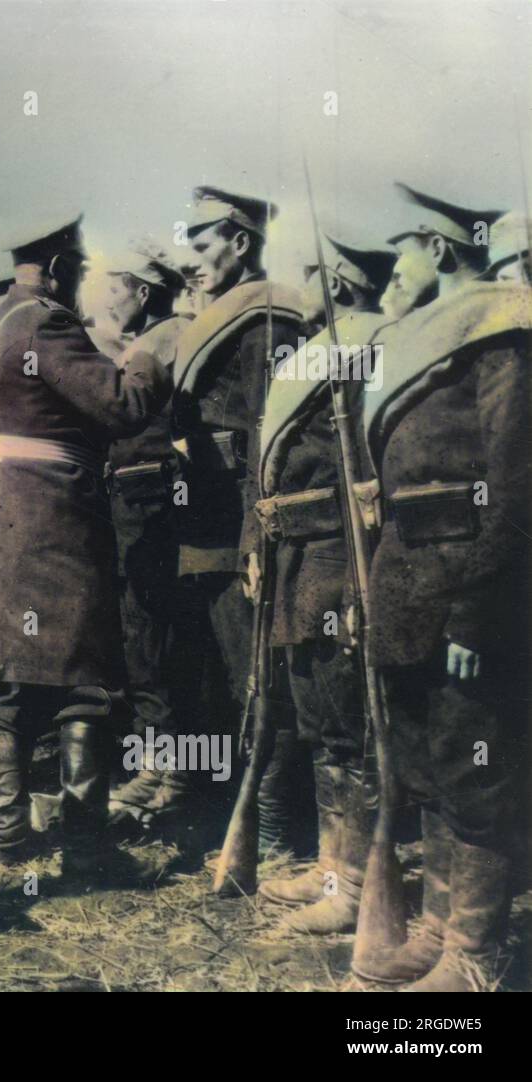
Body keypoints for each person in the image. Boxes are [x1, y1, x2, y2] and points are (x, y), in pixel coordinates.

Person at [351, 184, 528, 991]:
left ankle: (478, 953)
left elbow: (516, 484)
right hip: (406, 580)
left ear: (440, 247)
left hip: (464, 583)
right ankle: (436, 926)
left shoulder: (499, 328)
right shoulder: (419, 337)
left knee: (475, 766)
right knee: (424, 761)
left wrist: (478, 609)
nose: (396, 264)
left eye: (406, 248)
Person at [0, 216, 170, 872]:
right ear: (55, 264)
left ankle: (7, 837)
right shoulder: (48, 323)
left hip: (3, 506)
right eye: (77, 269)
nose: (83, 284)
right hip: (53, 512)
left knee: (11, 675)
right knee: (82, 678)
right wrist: (149, 357)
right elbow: (120, 408)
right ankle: (85, 846)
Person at [252, 235, 395, 933]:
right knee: (317, 716)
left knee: (347, 720)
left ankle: (360, 884)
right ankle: (332, 866)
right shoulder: (317, 352)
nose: (297, 282)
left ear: (337, 279)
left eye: (308, 271)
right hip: (297, 556)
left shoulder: (368, 349)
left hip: (340, 554)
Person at [172, 185, 306, 854]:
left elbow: (268, 433)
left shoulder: (269, 320)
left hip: (239, 527)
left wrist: (257, 534)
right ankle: (227, 814)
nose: (190, 258)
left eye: (201, 244)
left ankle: (275, 829)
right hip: (202, 521)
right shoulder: (220, 314)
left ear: (240, 242)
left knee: (257, 676)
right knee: (214, 675)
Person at [97, 249, 196, 829]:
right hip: (143, 500)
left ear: (143, 292)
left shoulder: (163, 340)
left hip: (150, 502)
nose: (110, 301)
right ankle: (161, 766)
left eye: (117, 289)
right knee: (147, 636)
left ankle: (167, 771)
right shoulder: (162, 336)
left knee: (151, 633)